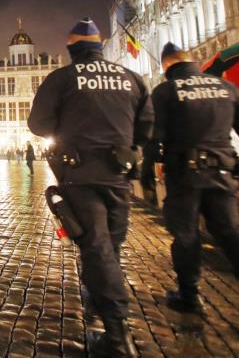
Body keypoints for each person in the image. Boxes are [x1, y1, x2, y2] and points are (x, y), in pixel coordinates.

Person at [28, 18, 153, 357]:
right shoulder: (131, 78)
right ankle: (98, 300)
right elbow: (147, 124)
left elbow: (37, 123)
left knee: (97, 246)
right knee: (110, 244)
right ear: (99, 46)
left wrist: (68, 129)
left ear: (72, 49)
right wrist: (129, 148)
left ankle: (117, 333)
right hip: (118, 175)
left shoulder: (63, 78)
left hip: (80, 173)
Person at [141, 43, 239, 334]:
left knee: (186, 235)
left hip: (185, 173)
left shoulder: (166, 91)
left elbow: (154, 136)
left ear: (167, 67)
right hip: (223, 171)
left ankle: (189, 295)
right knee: (231, 232)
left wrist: (146, 170)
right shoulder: (226, 87)